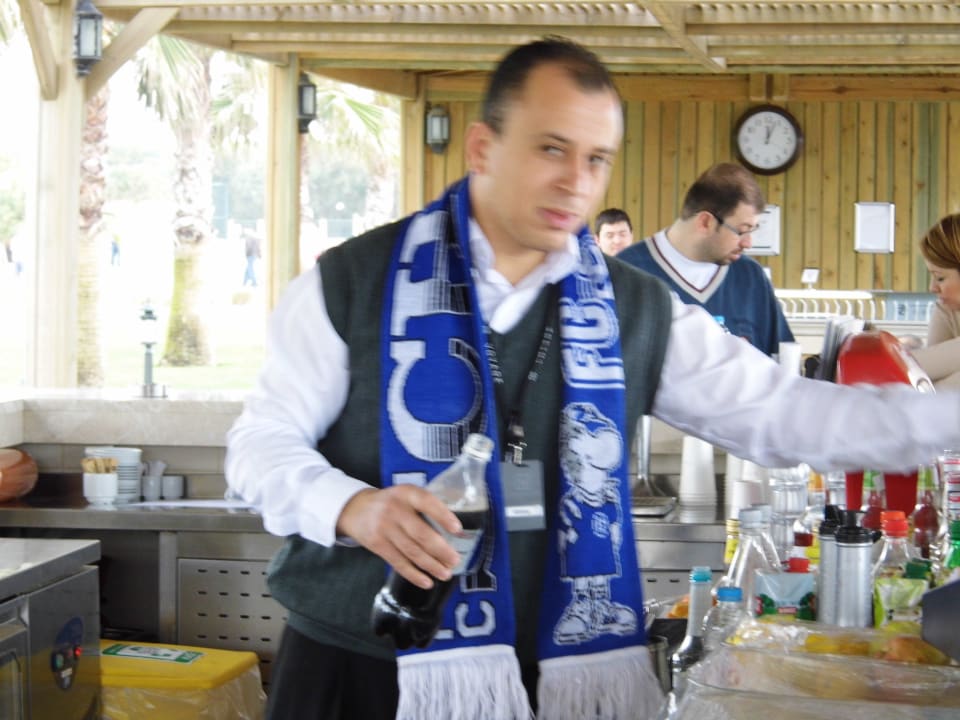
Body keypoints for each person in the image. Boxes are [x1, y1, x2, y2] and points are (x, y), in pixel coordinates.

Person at [225, 38, 960, 720]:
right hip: (357, 666)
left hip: (555, 674)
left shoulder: (635, 307)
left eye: (597, 158)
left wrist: (943, 418)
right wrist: (352, 506)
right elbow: (260, 446)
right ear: (483, 147)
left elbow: (784, 414)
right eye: (551, 148)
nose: (576, 182)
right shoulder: (354, 281)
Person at [616, 162, 794, 356]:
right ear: (705, 222)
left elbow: (782, 359)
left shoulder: (751, 277)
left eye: (752, 231)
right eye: (741, 231)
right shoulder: (626, 273)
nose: (748, 243)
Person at [908, 213, 960, 389]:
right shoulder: (947, 308)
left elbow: (914, 370)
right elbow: (926, 375)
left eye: (940, 278)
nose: (932, 288)